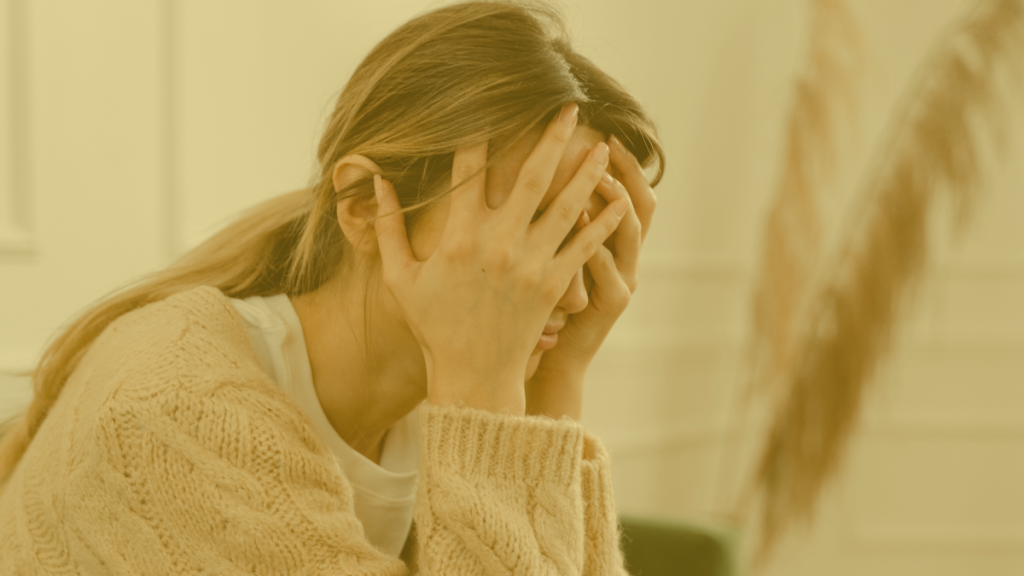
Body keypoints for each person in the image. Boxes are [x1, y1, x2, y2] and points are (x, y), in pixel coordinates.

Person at [0, 0, 665, 573]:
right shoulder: (178, 411)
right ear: (365, 209)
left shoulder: (439, 385)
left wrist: (556, 382)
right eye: (529, 229)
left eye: (591, 241)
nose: (573, 293)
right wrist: (494, 407)